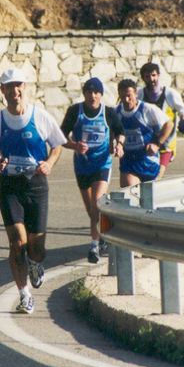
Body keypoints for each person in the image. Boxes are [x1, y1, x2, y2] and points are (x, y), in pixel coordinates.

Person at [0, 68, 67, 314]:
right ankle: (24, 295)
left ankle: (35, 264)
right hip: (10, 187)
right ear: (2, 91)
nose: (14, 90)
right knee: (17, 242)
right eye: (9, 86)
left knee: (36, 248)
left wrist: (49, 163)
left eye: (18, 85)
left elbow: (58, 144)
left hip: (36, 186)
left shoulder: (40, 117)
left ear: (25, 88)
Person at [60, 77, 125, 264]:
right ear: (84, 94)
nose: (93, 96)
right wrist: (74, 146)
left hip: (102, 164)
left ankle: (94, 247)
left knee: (97, 203)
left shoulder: (108, 112)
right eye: (89, 92)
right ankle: (105, 231)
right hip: (82, 165)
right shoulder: (75, 111)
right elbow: (61, 137)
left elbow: (121, 131)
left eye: (96, 92)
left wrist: (119, 145)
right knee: (91, 211)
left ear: (101, 95)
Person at [115, 78, 174, 187]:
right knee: (130, 194)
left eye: (129, 95)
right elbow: (109, 130)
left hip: (148, 163)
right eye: (123, 96)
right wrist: (114, 145)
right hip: (128, 164)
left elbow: (169, 124)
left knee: (147, 201)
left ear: (136, 93)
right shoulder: (115, 112)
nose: (126, 100)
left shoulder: (147, 109)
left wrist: (157, 144)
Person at [137, 62, 184, 178]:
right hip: (147, 145)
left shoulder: (169, 94)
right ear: (143, 78)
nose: (151, 79)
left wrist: (183, 121)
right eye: (147, 76)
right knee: (146, 179)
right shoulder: (140, 95)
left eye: (153, 75)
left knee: (156, 177)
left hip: (166, 145)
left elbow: (183, 110)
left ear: (159, 76)